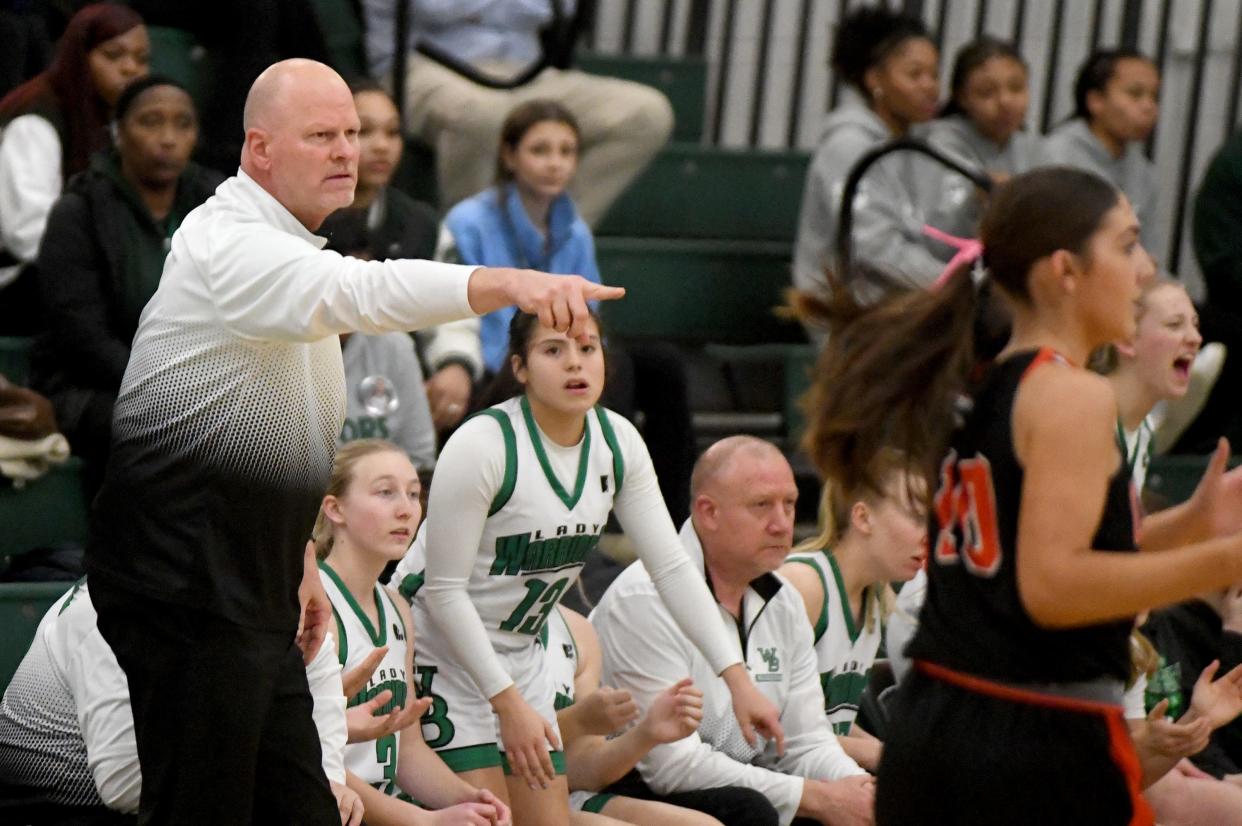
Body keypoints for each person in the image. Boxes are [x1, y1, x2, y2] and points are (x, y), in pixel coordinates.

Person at [83, 57, 623, 826]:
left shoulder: (287, 249)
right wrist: (510, 284)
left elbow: (277, 427)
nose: (348, 151)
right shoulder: (229, 243)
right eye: (323, 136)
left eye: (352, 133)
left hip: (250, 574)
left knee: (299, 807)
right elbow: (363, 292)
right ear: (261, 150)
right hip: (181, 578)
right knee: (205, 809)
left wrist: (298, 551)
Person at [793, 164, 1242, 825]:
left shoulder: (990, 384)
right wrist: (1224, 560)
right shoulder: (1071, 396)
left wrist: (1186, 530)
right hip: (1030, 741)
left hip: (947, 726)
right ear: (1065, 270)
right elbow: (1053, 587)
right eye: (1128, 243)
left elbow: (1024, 560)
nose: (1145, 267)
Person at [390, 312, 783, 826]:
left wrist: (738, 679)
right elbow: (443, 593)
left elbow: (671, 566)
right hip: (442, 651)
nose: (575, 362)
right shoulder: (481, 445)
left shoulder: (617, 442)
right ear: (520, 367)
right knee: (489, 819)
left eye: (587, 348)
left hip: (523, 655)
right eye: (553, 350)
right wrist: (506, 705)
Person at [592, 436, 874, 826]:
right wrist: (816, 797)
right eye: (761, 505)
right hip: (624, 786)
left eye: (789, 505)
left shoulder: (785, 601)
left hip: (729, 781)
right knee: (760, 810)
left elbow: (806, 740)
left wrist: (860, 790)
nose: (781, 524)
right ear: (708, 513)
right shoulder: (644, 598)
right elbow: (671, 768)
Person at [442, 98, 694, 520]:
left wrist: (582, 351)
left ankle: (671, 519)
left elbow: (591, 316)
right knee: (601, 365)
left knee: (657, 365)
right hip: (501, 364)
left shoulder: (574, 228)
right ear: (509, 155)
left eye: (566, 151)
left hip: (561, 354)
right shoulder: (468, 220)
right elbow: (459, 310)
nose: (555, 163)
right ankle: (591, 500)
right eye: (540, 150)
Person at [0, 580, 362, 825]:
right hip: (59, 809)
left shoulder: (262, 585)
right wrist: (288, 773)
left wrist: (328, 779)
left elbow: (316, 676)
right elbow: (123, 784)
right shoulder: (111, 609)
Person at [29, 75, 221, 493]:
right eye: (150, 122)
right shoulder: (79, 211)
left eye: (182, 124)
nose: (167, 138)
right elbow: (82, 338)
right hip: (91, 386)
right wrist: (166, 389)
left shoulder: (216, 204)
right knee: (160, 427)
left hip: (196, 383)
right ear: (118, 132)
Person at [313, 438, 514, 824]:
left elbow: (407, 750)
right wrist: (426, 821)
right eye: (385, 493)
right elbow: (311, 753)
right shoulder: (317, 606)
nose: (406, 510)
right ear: (335, 509)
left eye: (413, 493)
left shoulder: (397, 609)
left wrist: (469, 798)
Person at [362, 0, 672, 225]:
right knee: (481, 116)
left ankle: (544, 236)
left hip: (524, 69)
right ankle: (473, 256)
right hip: (422, 66)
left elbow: (554, 10)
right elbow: (435, 7)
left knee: (646, 115)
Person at [319, 80, 479, 437]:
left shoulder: (422, 225)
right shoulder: (294, 217)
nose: (381, 146)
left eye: (392, 133)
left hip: (392, 389)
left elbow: (452, 312)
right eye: (365, 131)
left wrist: (455, 366)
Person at [0, 2, 148, 334]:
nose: (131, 69)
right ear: (80, 57)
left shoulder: (109, 117)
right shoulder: (35, 119)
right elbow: (27, 235)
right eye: (114, 56)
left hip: (77, 269)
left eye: (141, 59)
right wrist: (105, 261)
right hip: (18, 282)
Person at [778, 451, 927, 772]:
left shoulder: (875, 598)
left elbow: (834, 724)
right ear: (862, 518)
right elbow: (771, 729)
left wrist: (881, 750)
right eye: (917, 517)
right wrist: (878, 755)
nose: (928, 535)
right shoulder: (806, 585)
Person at [792, 5, 942, 312]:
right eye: (915, 74)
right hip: (850, 316)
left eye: (934, 74)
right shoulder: (848, 147)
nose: (930, 87)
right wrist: (954, 284)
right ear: (875, 79)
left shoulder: (919, 145)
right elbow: (875, 248)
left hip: (909, 306)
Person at [541, 603, 726, 826]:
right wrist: (578, 721)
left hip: (561, 792)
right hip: (501, 792)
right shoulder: (491, 628)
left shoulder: (576, 629)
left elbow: (583, 774)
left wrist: (646, 734)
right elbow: (496, 742)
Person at [1034, 49, 1161, 259]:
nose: (1149, 106)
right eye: (1135, 94)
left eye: (1154, 96)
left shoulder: (1144, 171)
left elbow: (1148, 252)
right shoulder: (1056, 157)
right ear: (1096, 101)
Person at [920, 37, 1034, 244]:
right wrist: (975, 198)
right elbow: (932, 236)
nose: (1005, 102)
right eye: (986, 92)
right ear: (962, 97)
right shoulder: (939, 145)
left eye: (1016, 88)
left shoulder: (1033, 146)